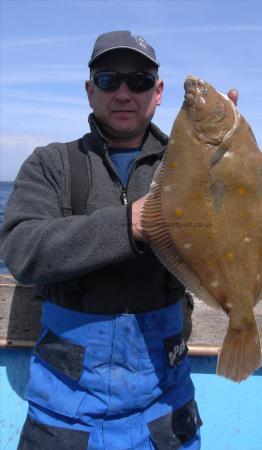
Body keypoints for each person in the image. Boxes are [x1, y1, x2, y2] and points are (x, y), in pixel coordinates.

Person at [0, 31, 238, 450]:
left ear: (159, 92)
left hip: (166, 408)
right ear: (90, 91)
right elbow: (22, 249)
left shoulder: (191, 164)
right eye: (110, 80)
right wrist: (132, 222)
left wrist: (225, 162)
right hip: (63, 414)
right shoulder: (50, 164)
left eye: (140, 81)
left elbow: (229, 237)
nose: (125, 92)